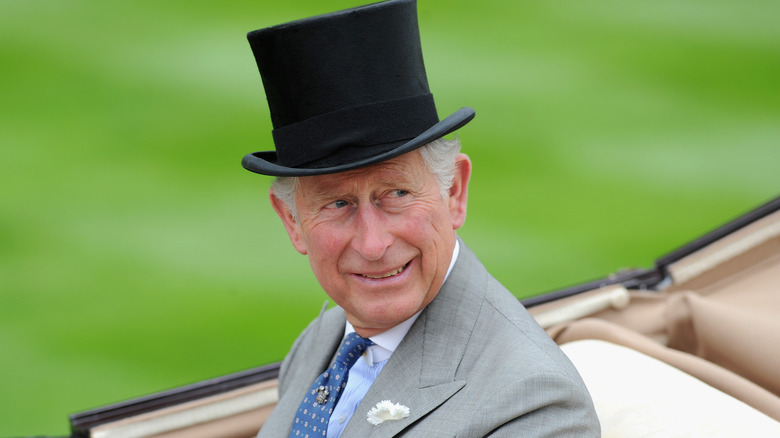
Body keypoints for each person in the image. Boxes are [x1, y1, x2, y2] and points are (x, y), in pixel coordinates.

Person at [241, 0, 600, 436]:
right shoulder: (327, 334)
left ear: (453, 192)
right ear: (292, 221)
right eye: (338, 204)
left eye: (396, 193)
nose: (373, 245)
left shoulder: (537, 406)